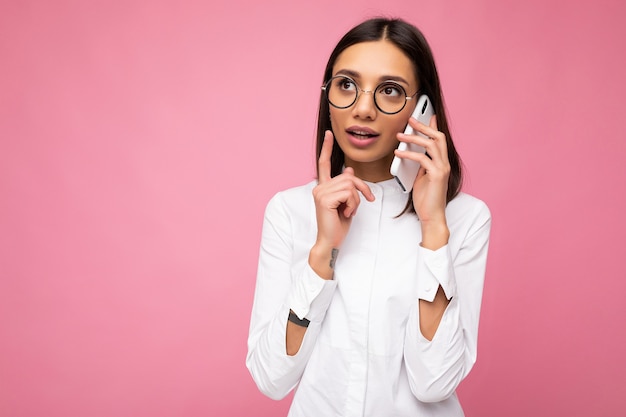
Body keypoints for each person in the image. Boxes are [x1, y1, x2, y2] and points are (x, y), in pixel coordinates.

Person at [246, 17, 491, 417]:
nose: (362, 108)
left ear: (423, 109)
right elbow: (271, 377)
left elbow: (434, 382)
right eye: (346, 85)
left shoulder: (463, 219)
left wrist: (433, 230)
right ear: (327, 95)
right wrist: (323, 251)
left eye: (390, 91)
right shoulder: (289, 211)